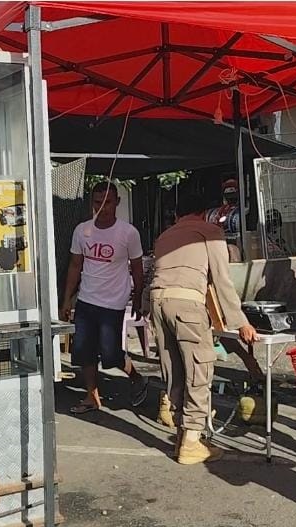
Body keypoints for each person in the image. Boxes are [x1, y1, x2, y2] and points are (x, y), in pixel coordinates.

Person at [149, 193, 258, 464]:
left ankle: (181, 432)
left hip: (157, 303)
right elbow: (222, 281)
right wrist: (241, 322)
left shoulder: (164, 236)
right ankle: (192, 441)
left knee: (174, 370)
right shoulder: (209, 232)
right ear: (203, 213)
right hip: (187, 304)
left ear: (177, 215)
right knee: (199, 370)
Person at [60, 181, 148, 413]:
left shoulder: (128, 233)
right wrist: (67, 299)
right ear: (92, 203)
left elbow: (137, 268)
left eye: (107, 202)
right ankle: (92, 396)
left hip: (114, 302)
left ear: (117, 202)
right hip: (86, 299)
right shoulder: (82, 230)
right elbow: (75, 265)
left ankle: (137, 377)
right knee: (84, 350)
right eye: (98, 202)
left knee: (111, 353)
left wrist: (138, 298)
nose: (103, 208)